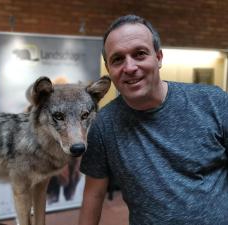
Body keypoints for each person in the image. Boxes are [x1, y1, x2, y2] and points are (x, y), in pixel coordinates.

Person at [78, 14, 228, 225]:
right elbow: (93, 194)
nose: (129, 67)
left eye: (139, 54)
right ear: (109, 69)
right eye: (118, 59)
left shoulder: (213, 102)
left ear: (158, 58)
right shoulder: (103, 125)